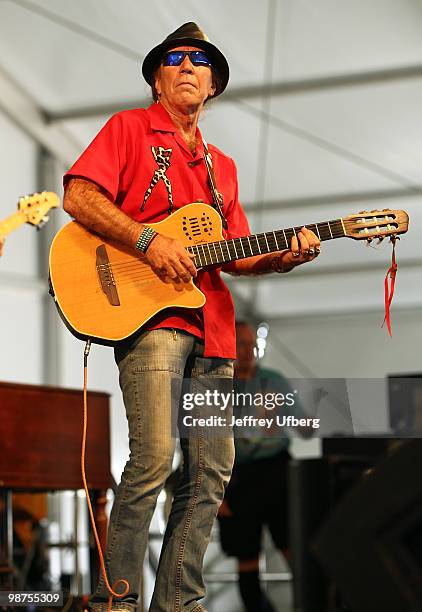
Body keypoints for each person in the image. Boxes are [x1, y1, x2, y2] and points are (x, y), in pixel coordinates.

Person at [62, 22, 321, 612]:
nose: (187, 67)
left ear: (212, 86)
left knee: (210, 474)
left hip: (215, 331)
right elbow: (79, 194)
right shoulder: (129, 129)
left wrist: (287, 256)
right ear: (157, 77)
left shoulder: (220, 166)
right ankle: (116, 602)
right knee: (153, 459)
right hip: (150, 323)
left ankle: (178, 602)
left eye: (200, 62)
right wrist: (148, 240)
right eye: (175, 59)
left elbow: (240, 252)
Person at [218, 321, 305, 612]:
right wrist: (218, 495)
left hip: (278, 472)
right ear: (229, 346)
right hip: (237, 477)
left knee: (294, 548)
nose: (247, 351)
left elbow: (305, 427)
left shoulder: (275, 380)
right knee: (247, 556)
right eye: (240, 344)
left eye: (250, 344)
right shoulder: (217, 385)